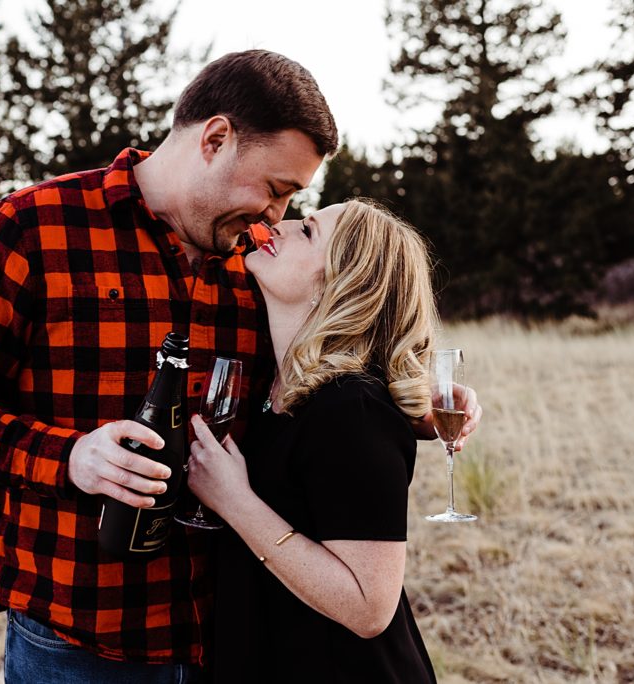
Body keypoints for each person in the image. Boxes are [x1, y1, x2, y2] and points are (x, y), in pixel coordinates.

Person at [0, 50, 479, 682]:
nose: (275, 218)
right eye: (275, 189)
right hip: (82, 637)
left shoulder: (258, 262)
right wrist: (72, 457)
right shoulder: (34, 226)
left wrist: (416, 406)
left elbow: (325, 370)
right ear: (216, 138)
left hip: (236, 634)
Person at [186, 199, 448, 682]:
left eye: (306, 231)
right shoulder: (274, 387)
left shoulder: (352, 409)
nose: (276, 226)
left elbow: (370, 608)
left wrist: (233, 500)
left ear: (342, 286)